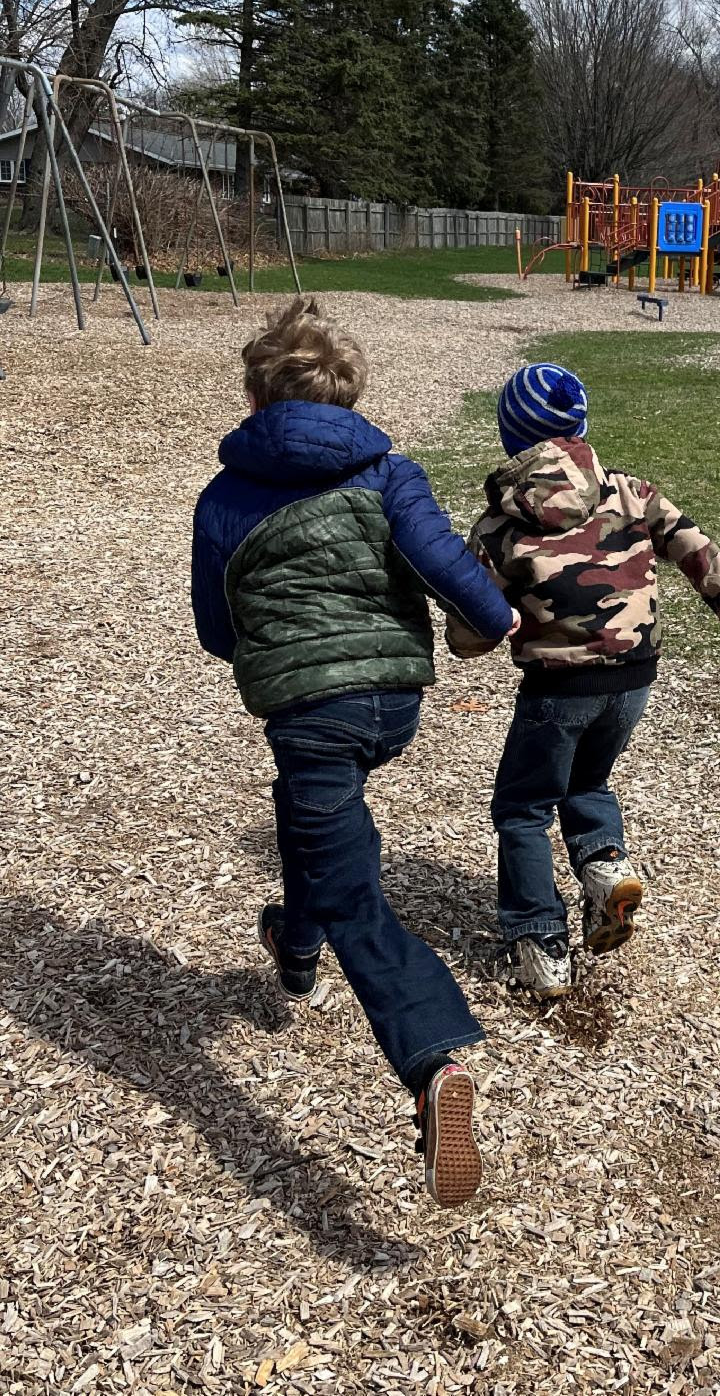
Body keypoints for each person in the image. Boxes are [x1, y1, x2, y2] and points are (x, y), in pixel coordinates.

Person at [190, 298, 518, 1208]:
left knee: (354, 886)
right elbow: (446, 564)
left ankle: (432, 1062)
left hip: (309, 711)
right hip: (391, 705)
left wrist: (282, 641)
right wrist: (496, 619)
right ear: (349, 391)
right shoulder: (388, 471)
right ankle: (295, 947)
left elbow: (217, 630)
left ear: (257, 396)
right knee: (318, 829)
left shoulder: (224, 498)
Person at [445, 363, 720, 1000]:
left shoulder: (499, 528)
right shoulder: (629, 493)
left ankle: (540, 940)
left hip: (557, 688)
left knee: (522, 808)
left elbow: (472, 631)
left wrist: (475, 633)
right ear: (580, 429)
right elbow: (696, 548)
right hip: (635, 679)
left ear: (509, 437)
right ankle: (605, 867)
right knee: (588, 778)